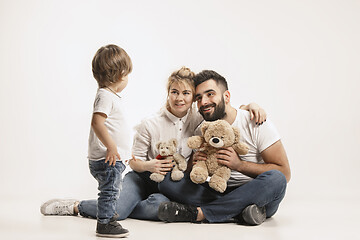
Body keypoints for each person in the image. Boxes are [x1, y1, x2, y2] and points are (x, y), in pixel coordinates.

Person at [40, 67, 266, 224]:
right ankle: (76, 206)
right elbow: (133, 162)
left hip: (170, 186)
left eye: (186, 93)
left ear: (193, 98)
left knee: (161, 208)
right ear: (167, 94)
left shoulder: (197, 119)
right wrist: (150, 167)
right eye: (174, 92)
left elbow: (224, 114)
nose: (180, 98)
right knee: (118, 213)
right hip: (141, 179)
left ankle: (134, 207)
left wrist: (250, 105)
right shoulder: (150, 124)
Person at [157, 70, 291, 226]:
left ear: (226, 96)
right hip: (217, 190)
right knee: (167, 182)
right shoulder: (202, 130)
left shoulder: (254, 121)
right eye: (199, 98)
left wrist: (239, 165)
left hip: (256, 191)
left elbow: (285, 172)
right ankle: (238, 211)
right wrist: (192, 163)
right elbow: (192, 173)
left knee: (276, 179)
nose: (204, 102)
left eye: (210, 94)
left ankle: (200, 214)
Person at [42, 44, 132, 238]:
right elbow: (97, 122)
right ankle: (105, 223)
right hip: (108, 159)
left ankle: (108, 215)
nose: (127, 79)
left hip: (113, 158)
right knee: (109, 191)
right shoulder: (105, 96)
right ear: (119, 75)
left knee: (113, 191)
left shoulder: (110, 96)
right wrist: (111, 146)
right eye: (127, 74)